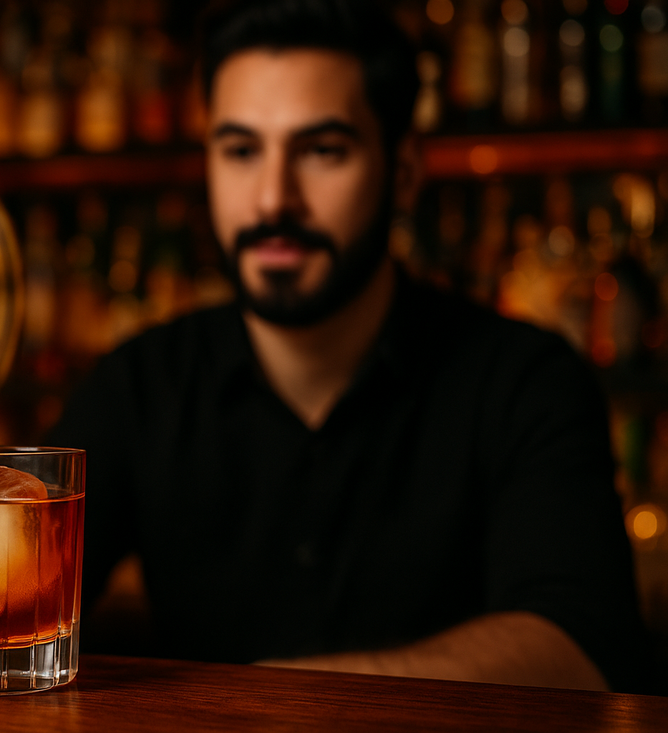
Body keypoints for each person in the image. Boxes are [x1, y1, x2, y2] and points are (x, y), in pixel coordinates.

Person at [46, 0, 658, 693]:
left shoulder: (525, 380)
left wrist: (265, 706)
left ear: (402, 173)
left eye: (322, 151)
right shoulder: (138, 385)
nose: (274, 199)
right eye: (241, 150)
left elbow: (583, 650)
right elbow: (14, 586)